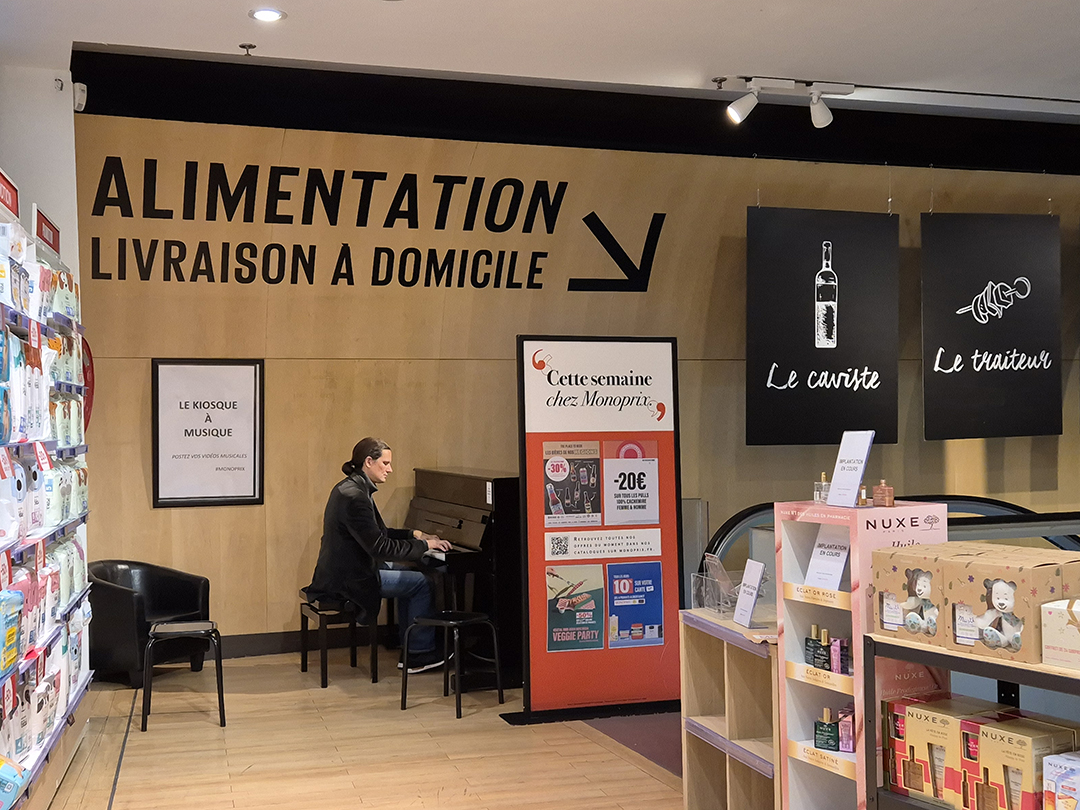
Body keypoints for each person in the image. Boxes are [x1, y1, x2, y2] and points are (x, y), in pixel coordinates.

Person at [306, 437, 452, 673]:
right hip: (349, 580)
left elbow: (378, 533)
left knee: (413, 575)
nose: (390, 469)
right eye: (385, 463)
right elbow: (381, 548)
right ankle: (418, 654)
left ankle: (409, 645)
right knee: (422, 583)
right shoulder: (355, 497)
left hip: (348, 570)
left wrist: (414, 534)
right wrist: (425, 546)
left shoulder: (351, 488)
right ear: (368, 462)